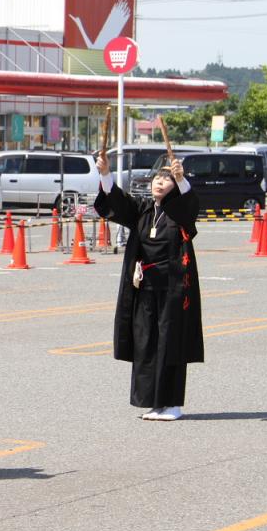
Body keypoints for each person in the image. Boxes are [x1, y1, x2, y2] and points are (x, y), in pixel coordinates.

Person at [94, 152, 204, 421]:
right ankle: (154, 402)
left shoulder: (179, 212)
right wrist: (105, 174)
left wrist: (181, 180)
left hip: (174, 287)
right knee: (145, 341)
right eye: (157, 178)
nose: (159, 183)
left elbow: (189, 205)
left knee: (170, 341)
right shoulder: (143, 210)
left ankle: (173, 403)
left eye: (166, 180)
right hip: (144, 286)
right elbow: (117, 204)